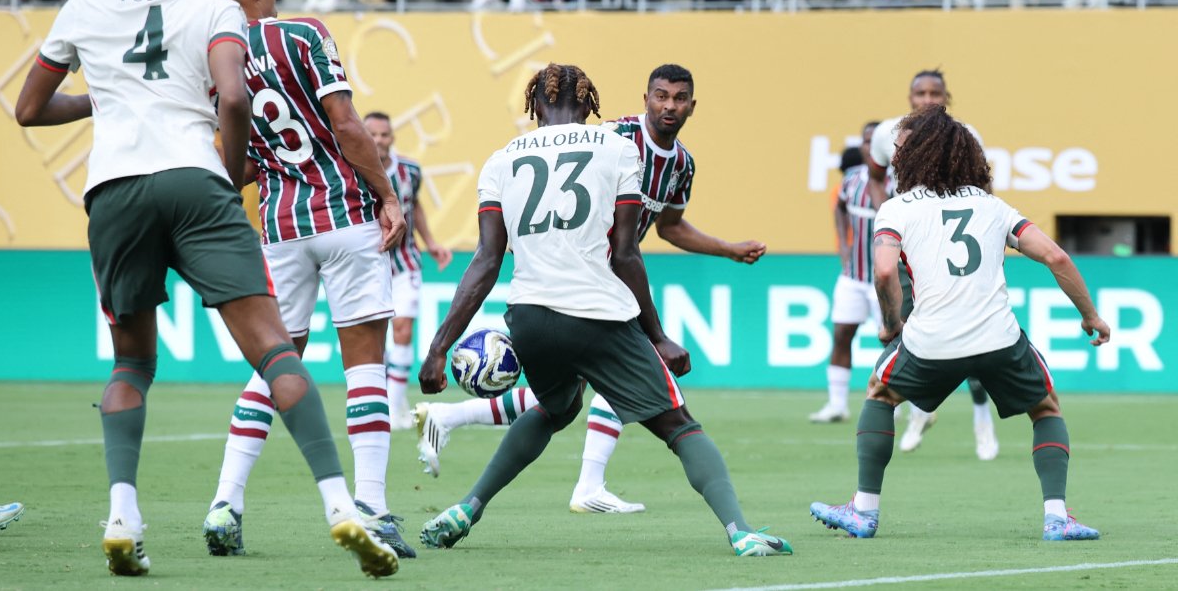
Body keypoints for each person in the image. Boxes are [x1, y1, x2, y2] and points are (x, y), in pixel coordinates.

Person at [14, 0, 397, 578]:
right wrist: (227, 170)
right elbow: (233, 95)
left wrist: (107, 95)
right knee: (276, 348)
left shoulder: (84, 4)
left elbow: (27, 109)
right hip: (203, 182)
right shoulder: (216, 8)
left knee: (130, 365)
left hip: (116, 188)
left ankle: (126, 517)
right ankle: (346, 504)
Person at [415, 63, 792, 557]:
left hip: (528, 315)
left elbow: (485, 262)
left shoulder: (500, 159)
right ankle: (741, 532)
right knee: (679, 425)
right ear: (590, 102)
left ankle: (467, 507)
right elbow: (626, 253)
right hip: (597, 312)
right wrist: (656, 335)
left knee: (556, 406)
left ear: (536, 105)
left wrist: (438, 347)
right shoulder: (617, 147)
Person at [202, 0, 414, 561]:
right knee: (365, 367)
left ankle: (225, 503)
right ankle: (371, 508)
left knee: (276, 364)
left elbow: (236, 159)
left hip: (279, 226)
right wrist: (389, 196)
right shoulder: (302, 34)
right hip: (345, 218)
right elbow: (347, 124)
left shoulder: (213, 54)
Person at [810, 104, 1108, 541]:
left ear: (918, 154)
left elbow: (885, 271)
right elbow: (1056, 257)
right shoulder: (993, 206)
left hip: (931, 340)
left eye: (899, 149)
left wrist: (892, 324)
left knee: (880, 394)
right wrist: (1090, 315)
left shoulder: (896, 209)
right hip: (998, 339)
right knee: (1045, 408)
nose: (895, 155)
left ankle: (864, 510)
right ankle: (1058, 517)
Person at [867, 70, 999, 461]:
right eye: (920, 92)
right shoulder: (887, 133)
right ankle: (917, 410)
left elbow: (983, 189)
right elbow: (874, 177)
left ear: (946, 97)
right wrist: (885, 217)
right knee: (904, 331)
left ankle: (982, 418)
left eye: (935, 93)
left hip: (951, 254)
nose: (927, 99)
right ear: (908, 97)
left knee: (971, 335)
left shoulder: (964, 134)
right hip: (908, 251)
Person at [365, 111, 453, 429]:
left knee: (402, 328)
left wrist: (430, 242)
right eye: (372, 134)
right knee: (374, 336)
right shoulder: (353, 168)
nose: (379, 140)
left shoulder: (410, 170)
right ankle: (389, 398)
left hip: (405, 261)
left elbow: (414, 205)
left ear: (392, 137)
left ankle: (395, 407)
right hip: (368, 263)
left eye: (384, 134)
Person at [810, 121, 886, 423]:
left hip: (887, 281)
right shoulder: (852, 179)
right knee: (842, 334)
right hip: (853, 276)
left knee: (894, 344)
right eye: (866, 142)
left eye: (875, 142)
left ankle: (905, 407)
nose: (869, 148)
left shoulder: (898, 182)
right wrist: (843, 243)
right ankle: (837, 404)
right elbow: (839, 207)